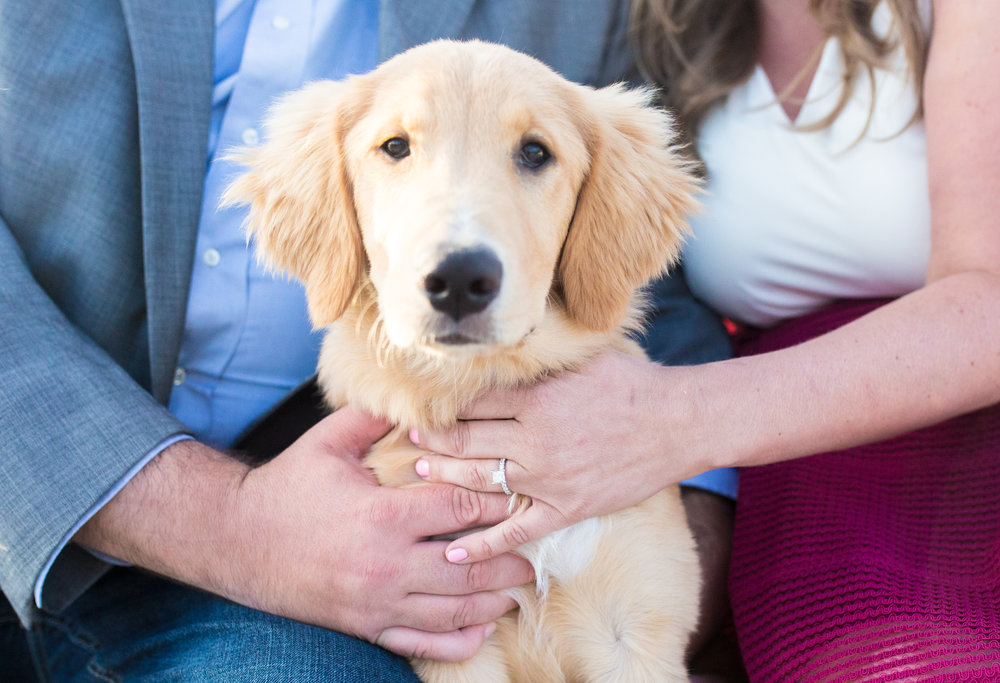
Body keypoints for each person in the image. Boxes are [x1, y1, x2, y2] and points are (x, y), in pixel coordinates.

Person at [0, 0, 737, 679]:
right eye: (394, 146)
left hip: (343, 546)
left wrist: (666, 508)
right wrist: (230, 523)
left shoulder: (595, 31)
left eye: (533, 154)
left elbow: (632, 276)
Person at [410, 0, 1000, 679]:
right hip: (799, 460)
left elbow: (988, 297)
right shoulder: (663, 21)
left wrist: (670, 418)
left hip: (957, 434)